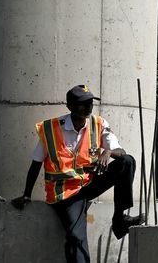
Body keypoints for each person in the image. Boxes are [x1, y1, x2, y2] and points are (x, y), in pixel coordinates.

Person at [10, 85, 145, 262]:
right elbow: (36, 164)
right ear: (70, 106)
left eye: (90, 103)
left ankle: (119, 220)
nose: (88, 107)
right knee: (76, 237)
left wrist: (108, 152)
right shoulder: (51, 129)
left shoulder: (98, 124)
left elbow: (121, 151)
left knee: (127, 161)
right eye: (82, 103)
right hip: (65, 192)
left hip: (89, 183)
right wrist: (27, 194)